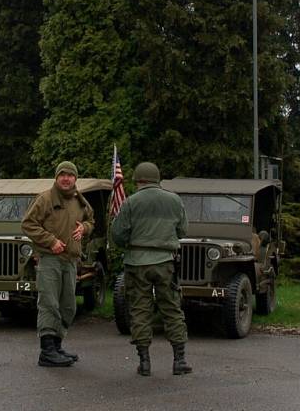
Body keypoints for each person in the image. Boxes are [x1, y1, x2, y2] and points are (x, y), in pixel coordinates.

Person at [111, 162, 192, 377]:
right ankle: (179, 360)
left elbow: (118, 235)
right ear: (158, 179)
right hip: (166, 261)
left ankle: (144, 361)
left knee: (139, 309)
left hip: (137, 263)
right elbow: (182, 231)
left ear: (138, 180)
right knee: (172, 308)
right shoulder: (174, 200)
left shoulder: (130, 202)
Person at [22, 161, 94, 368]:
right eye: (62, 174)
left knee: (68, 306)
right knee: (49, 304)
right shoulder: (45, 199)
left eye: (70, 175)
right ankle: (47, 351)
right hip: (50, 260)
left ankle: (57, 345)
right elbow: (27, 224)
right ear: (56, 177)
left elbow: (91, 219)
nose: (66, 178)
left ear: (75, 179)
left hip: (71, 261)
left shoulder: (79, 200)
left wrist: (85, 228)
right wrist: (50, 241)